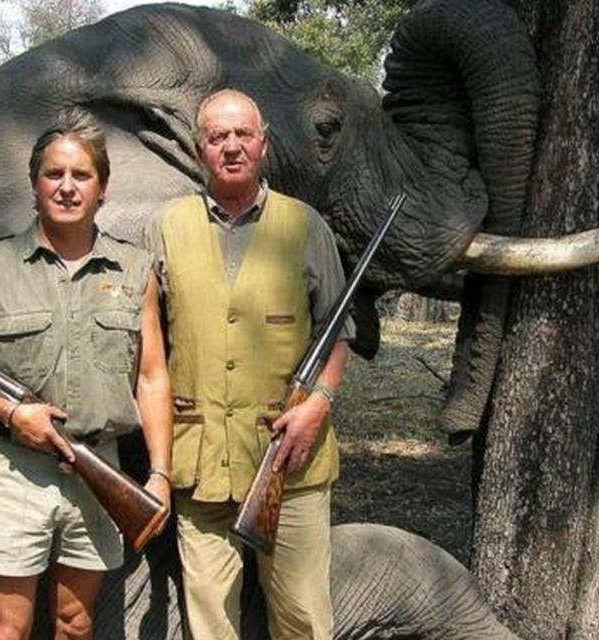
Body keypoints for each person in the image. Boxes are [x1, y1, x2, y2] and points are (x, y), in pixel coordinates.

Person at [0, 108, 173, 640]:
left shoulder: (136, 272)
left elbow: (152, 377)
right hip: (14, 471)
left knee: (75, 622)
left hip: (99, 470)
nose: (67, 187)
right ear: (35, 184)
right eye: (54, 174)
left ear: (103, 188)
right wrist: (11, 412)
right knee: (6, 627)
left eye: (81, 175)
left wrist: (158, 472)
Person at [146, 89, 353, 640]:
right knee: (209, 624)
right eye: (218, 137)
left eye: (243, 135)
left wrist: (320, 406)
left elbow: (339, 335)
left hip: (292, 462)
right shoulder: (165, 227)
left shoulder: (306, 227)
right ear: (199, 148)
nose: (231, 147)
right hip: (200, 464)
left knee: (304, 620)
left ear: (263, 143)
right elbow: (147, 348)